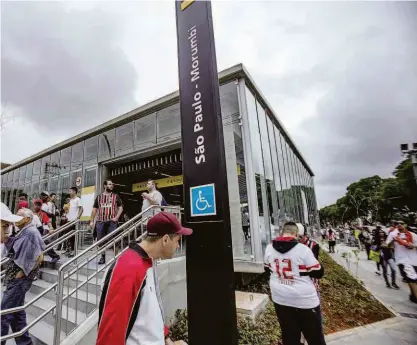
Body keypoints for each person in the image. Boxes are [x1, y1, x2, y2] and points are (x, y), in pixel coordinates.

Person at [96, 212, 192, 345]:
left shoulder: (148, 262)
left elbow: (149, 312)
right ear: (165, 240)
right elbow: (110, 335)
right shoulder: (128, 269)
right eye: (177, 240)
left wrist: (166, 339)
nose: (178, 246)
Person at [264, 221, 325, 345]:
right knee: (315, 337)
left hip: (280, 298)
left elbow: (267, 269)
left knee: (289, 336)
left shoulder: (269, 248)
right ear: (296, 234)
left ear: (282, 232)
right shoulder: (303, 250)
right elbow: (318, 272)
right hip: (305, 300)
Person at [1, 204, 45, 345]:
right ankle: (25, 343)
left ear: (26, 219)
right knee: (17, 314)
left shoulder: (30, 232)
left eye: (19, 215)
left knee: (4, 313)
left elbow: (38, 256)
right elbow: (16, 248)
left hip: (19, 278)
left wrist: (21, 273)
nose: (15, 217)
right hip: (17, 277)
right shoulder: (25, 231)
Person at [89, 180, 123, 264]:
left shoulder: (116, 196)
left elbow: (121, 208)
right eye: (109, 184)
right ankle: (102, 257)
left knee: (115, 239)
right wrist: (91, 221)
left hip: (112, 222)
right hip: (100, 221)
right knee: (101, 241)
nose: (112, 185)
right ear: (105, 186)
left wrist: (116, 217)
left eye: (112, 184)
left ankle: (116, 258)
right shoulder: (99, 197)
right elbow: (94, 210)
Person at [384, 221, 417, 303]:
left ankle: (413, 296)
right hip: (402, 260)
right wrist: (393, 241)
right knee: (411, 278)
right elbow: (387, 245)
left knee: (411, 279)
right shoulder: (393, 234)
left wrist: (413, 245)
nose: (399, 224)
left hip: (414, 259)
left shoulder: (413, 235)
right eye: (397, 223)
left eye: (402, 223)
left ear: (406, 225)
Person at [33, 199, 60, 263]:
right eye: (36, 205)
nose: (37, 206)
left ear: (41, 206)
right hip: (33, 232)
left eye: (39, 205)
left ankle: (55, 256)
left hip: (40, 231)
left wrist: (51, 228)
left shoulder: (42, 214)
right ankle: (40, 263)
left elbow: (48, 221)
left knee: (45, 242)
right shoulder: (32, 214)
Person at [66, 187, 83, 258]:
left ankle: (74, 251)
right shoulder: (70, 201)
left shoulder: (78, 199)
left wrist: (78, 217)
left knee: (73, 237)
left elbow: (81, 208)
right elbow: (68, 210)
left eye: (70, 191)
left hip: (74, 221)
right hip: (69, 220)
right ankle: (70, 250)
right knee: (69, 236)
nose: (69, 192)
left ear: (74, 192)